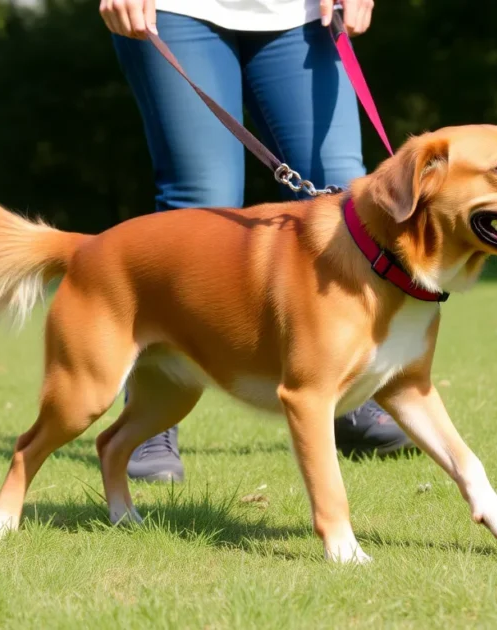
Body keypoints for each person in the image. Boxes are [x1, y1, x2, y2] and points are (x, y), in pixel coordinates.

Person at [100, 0, 418, 482]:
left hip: (301, 14)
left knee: (344, 196)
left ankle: (344, 391)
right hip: (176, 9)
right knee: (202, 203)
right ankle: (149, 410)